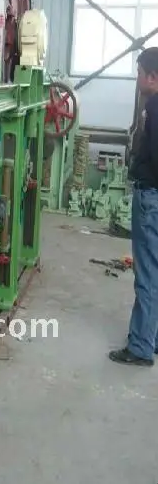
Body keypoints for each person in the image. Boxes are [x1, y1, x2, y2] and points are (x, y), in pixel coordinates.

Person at [109, 47, 158, 366]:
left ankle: (140, 346)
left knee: (147, 273)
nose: (137, 78)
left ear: (153, 77)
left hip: (150, 197)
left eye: (139, 73)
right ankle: (152, 338)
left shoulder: (154, 107)